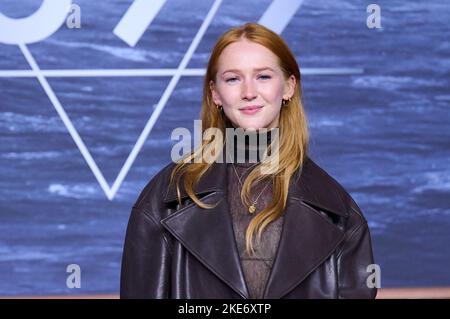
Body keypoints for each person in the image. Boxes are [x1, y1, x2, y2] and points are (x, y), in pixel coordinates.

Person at [120, 22, 377, 299]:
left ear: (289, 86)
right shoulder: (164, 200)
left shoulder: (339, 212)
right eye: (233, 79)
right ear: (215, 93)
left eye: (263, 77)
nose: (249, 92)